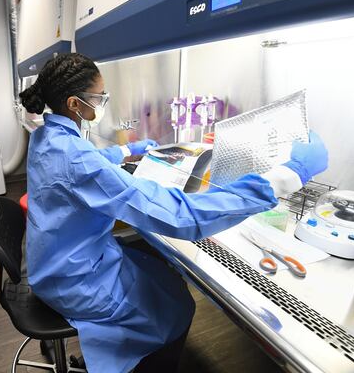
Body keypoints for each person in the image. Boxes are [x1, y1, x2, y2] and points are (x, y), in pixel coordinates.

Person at [19, 53, 328, 373]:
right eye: (99, 97)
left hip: (55, 263)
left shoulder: (47, 135)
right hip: (75, 280)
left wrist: (126, 150)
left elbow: (85, 160)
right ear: (74, 103)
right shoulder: (76, 159)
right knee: (176, 306)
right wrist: (287, 176)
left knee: (161, 274)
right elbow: (181, 217)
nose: (102, 103)